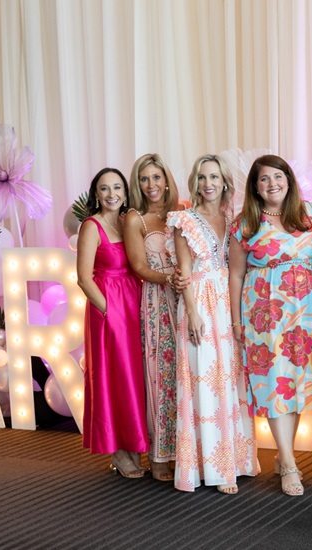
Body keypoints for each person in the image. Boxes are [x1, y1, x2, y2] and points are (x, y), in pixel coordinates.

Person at [228, 154, 312, 497]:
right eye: (264, 178)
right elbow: (236, 274)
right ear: (255, 186)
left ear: (289, 179)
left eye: (278, 176)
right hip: (265, 312)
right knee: (274, 385)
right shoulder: (245, 224)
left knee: (296, 386)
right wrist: (236, 321)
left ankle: (285, 456)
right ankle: (290, 462)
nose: (272, 184)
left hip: (309, 311)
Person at [166, 155, 261, 494]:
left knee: (230, 381)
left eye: (214, 177)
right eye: (203, 177)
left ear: (224, 183)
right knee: (204, 382)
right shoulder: (184, 220)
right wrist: (192, 311)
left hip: (228, 303)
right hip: (200, 303)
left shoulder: (232, 220)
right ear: (196, 182)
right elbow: (184, 269)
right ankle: (213, 470)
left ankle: (234, 461)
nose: (208, 183)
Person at [75, 167, 150, 478]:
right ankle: (117, 452)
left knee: (133, 377)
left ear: (126, 191)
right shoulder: (91, 226)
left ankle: (133, 444)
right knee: (112, 377)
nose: (111, 194)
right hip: (107, 306)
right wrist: (109, 311)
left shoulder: (128, 221)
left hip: (133, 302)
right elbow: (83, 278)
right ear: (96, 193)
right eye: (104, 188)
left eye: (117, 187)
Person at [122, 153, 187, 481]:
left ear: (166, 180)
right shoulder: (136, 218)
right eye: (144, 179)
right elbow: (138, 267)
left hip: (186, 297)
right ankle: (158, 454)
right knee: (160, 374)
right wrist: (168, 279)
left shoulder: (183, 211)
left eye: (156, 177)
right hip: (157, 300)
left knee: (184, 375)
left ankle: (184, 451)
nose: (151, 185)